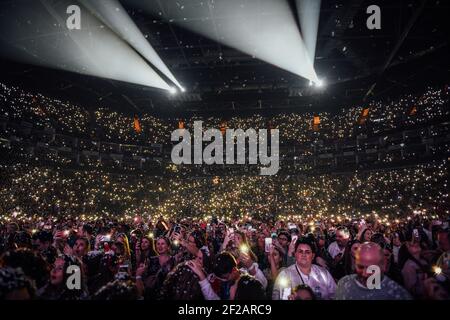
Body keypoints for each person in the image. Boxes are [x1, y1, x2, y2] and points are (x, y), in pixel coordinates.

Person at [335, 242, 412, 300]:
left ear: (383, 266)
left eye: (371, 269)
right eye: (360, 267)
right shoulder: (344, 283)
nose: (365, 274)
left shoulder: (397, 294)